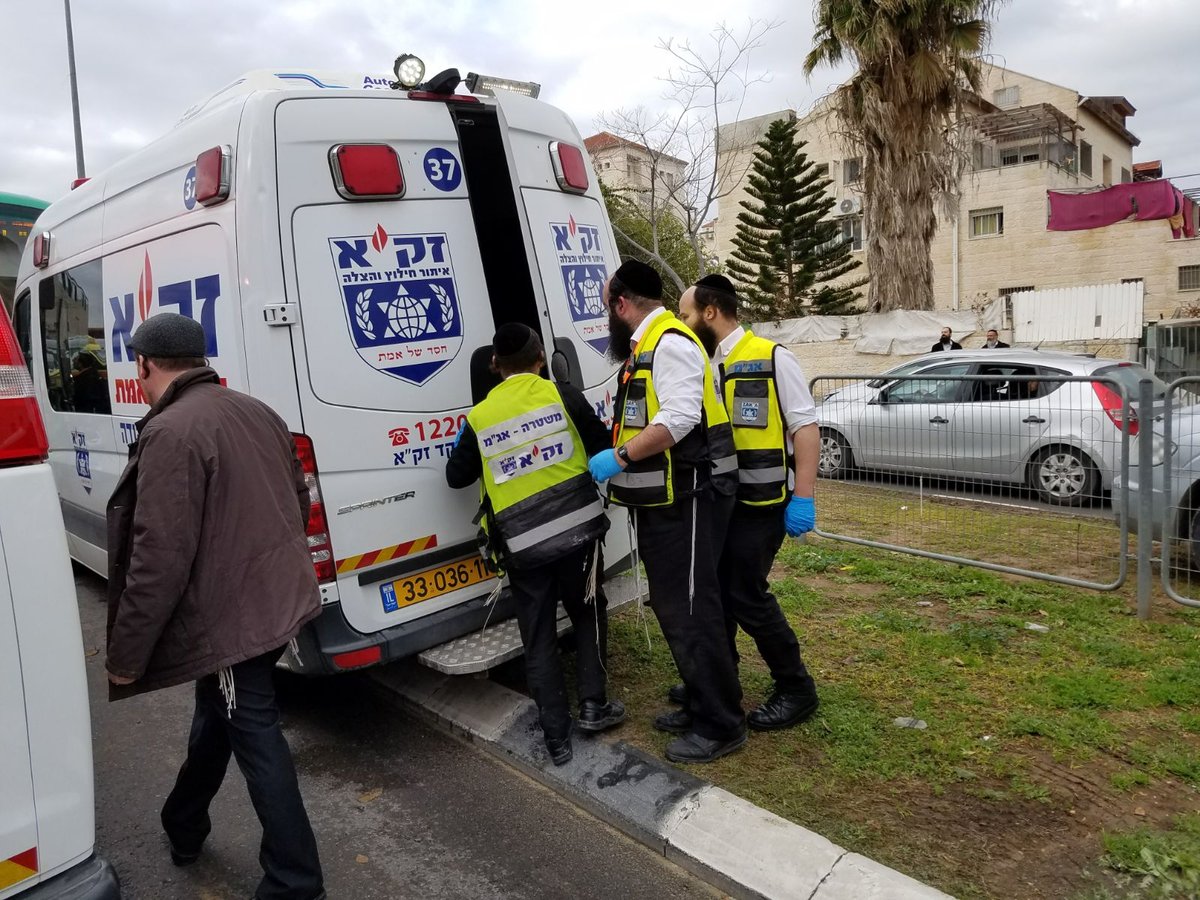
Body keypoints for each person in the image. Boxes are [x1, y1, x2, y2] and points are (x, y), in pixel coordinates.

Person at [105, 313, 324, 900]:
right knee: (219, 712)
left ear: (144, 365)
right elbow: (296, 499)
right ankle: (183, 823)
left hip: (234, 619)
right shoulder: (256, 409)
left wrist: (126, 655)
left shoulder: (171, 431)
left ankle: (295, 881)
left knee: (253, 731)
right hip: (277, 603)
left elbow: (159, 558)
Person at [587, 259, 747, 764]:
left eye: (607, 305)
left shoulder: (672, 344)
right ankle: (702, 699)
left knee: (692, 609)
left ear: (622, 303)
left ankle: (721, 724)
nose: (606, 316)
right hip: (667, 501)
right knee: (677, 604)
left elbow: (678, 419)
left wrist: (621, 456)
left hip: (689, 499)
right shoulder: (649, 347)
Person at [446, 324, 623, 766]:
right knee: (588, 613)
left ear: (494, 366)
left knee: (538, 634)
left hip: (523, 547)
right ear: (541, 358)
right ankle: (593, 705)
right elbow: (603, 446)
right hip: (579, 534)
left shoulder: (481, 416)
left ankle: (556, 738)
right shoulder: (564, 395)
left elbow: (457, 477)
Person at [678, 274, 821, 730]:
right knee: (717, 594)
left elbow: (805, 428)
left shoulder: (772, 356)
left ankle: (796, 688)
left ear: (711, 312)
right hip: (720, 504)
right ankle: (721, 682)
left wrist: (804, 496)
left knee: (745, 595)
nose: (684, 322)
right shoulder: (704, 364)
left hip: (762, 505)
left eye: (686, 314)